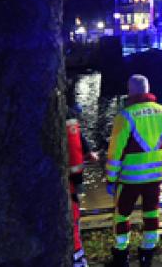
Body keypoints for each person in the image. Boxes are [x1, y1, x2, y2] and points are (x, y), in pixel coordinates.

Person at [105, 74, 162, 267]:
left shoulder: (125, 115)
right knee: (152, 214)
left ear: (130, 91)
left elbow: (115, 152)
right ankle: (147, 254)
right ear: (148, 89)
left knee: (122, 216)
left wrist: (111, 179)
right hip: (155, 177)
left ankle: (121, 256)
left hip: (129, 178)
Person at [68, 103, 98, 267]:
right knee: (72, 222)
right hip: (67, 184)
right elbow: (74, 153)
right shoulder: (67, 119)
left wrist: (87, 150)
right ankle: (78, 261)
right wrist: (79, 182)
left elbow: (78, 137)